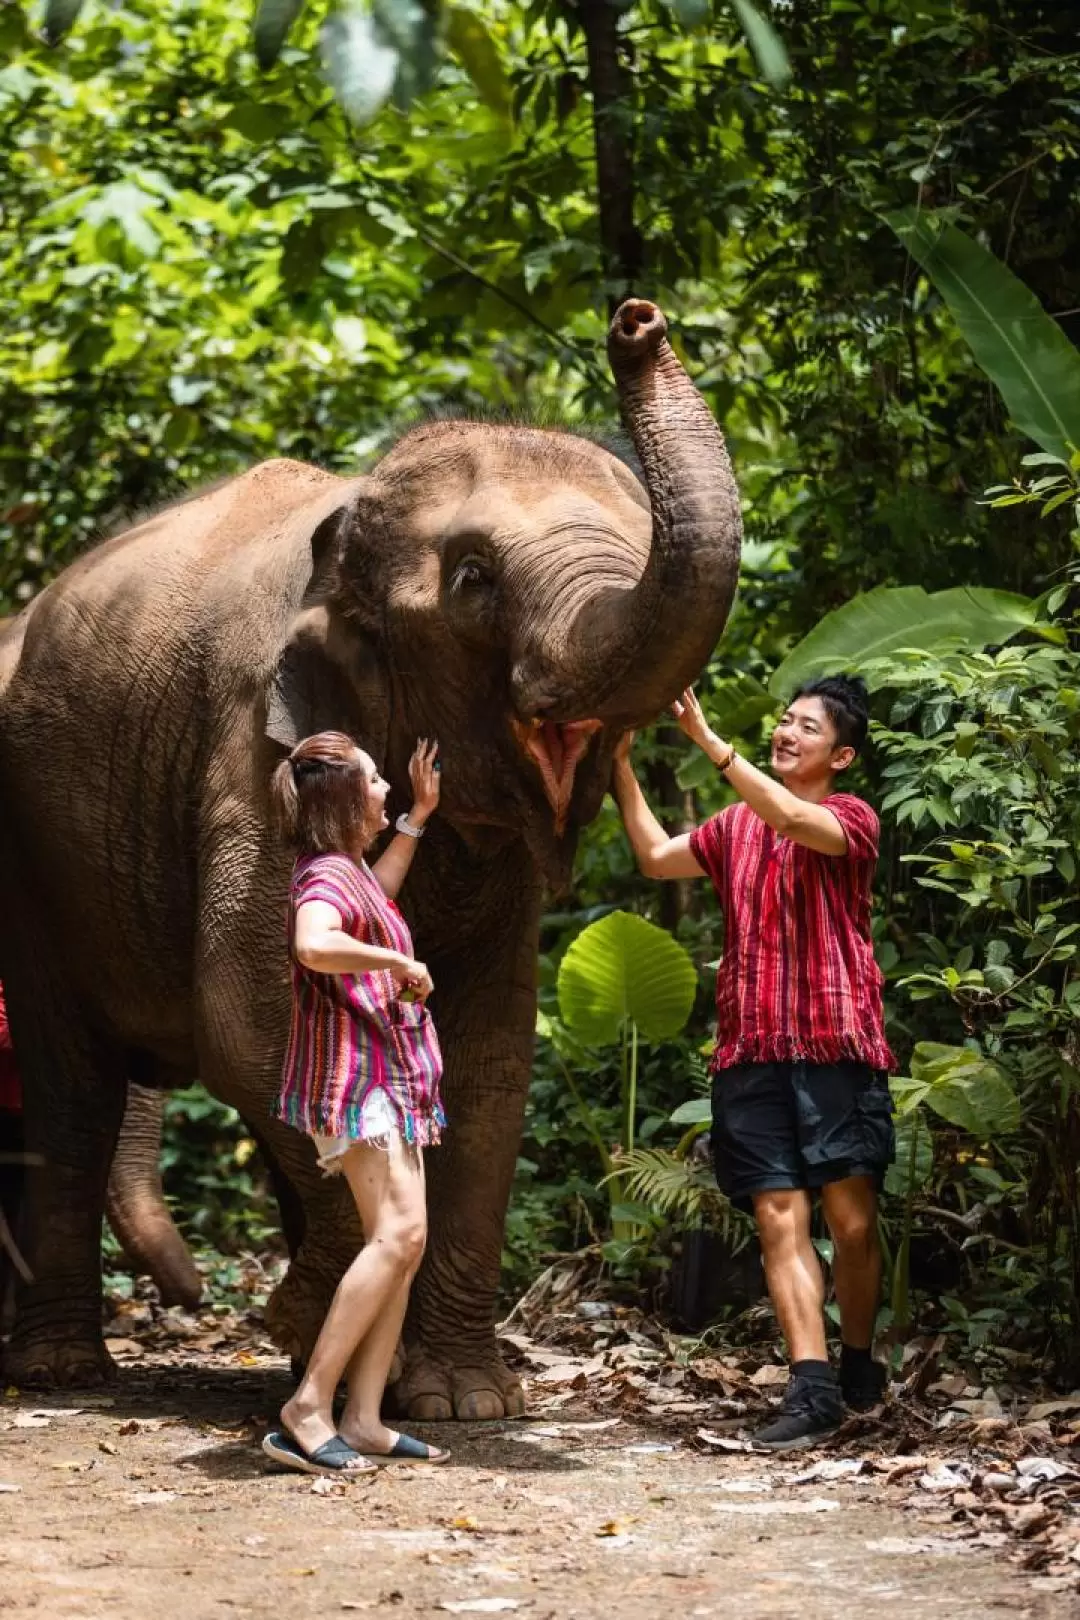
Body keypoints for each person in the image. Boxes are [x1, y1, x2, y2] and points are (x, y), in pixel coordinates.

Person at [612, 677, 895, 1451]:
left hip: (835, 1043)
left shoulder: (849, 818)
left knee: (853, 1222)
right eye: (784, 720)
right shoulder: (734, 825)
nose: (787, 731)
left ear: (840, 755)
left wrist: (709, 742)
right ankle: (811, 1388)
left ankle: (860, 1361)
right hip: (750, 1048)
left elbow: (792, 816)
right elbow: (654, 857)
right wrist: (621, 767)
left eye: (806, 727)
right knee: (779, 1216)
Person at [261, 731, 449, 1478]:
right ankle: (308, 1405)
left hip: (387, 1077)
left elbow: (378, 892)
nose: (385, 791)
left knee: (404, 1243)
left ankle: (364, 1417)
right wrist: (395, 960)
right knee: (399, 1238)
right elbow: (315, 941)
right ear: (343, 799)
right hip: (360, 1078)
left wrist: (418, 820)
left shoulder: (351, 872)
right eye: (376, 783)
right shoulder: (325, 877)